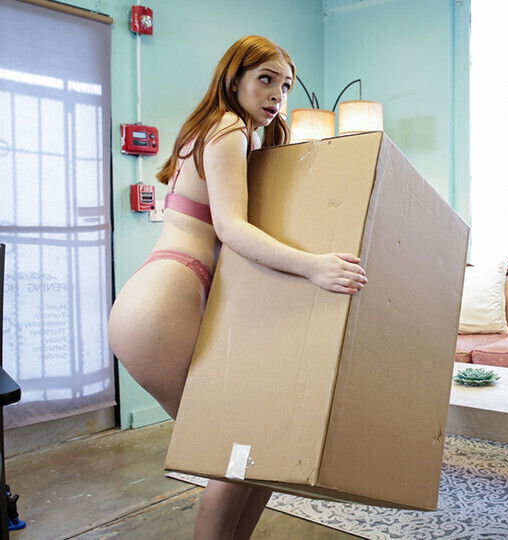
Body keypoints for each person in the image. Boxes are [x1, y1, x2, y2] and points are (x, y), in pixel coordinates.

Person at [108, 35, 368, 539]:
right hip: (164, 304)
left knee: (252, 451)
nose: (276, 94)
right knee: (235, 448)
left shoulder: (217, 129)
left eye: (285, 85)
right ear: (235, 79)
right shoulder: (228, 128)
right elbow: (232, 230)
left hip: (156, 299)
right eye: (265, 79)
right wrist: (313, 266)